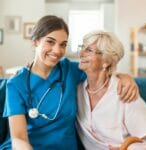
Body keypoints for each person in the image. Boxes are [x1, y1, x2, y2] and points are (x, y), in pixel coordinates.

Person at [0, 15, 138, 150]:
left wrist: (125, 77)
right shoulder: (16, 84)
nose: (57, 50)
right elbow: (18, 138)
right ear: (35, 42)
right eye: (50, 42)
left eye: (63, 45)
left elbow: (101, 68)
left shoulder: (70, 70)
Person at [76, 30, 146, 150]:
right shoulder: (77, 91)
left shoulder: (125, 92)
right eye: (82, 47)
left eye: (89, 50)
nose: (81, 53)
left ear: (106, 61)